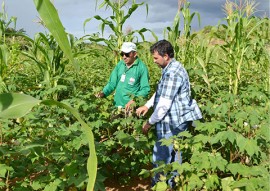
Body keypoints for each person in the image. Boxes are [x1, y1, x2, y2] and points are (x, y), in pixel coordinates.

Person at [136, 40, 202, 188]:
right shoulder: (172, 67)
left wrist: (148, 123)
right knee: (175, 153)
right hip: (177, 119)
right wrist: (147, 105)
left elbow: (163, 106)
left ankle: (158, 186)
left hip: (173, 121)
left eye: (155, 58)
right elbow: (161, 92)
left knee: (161, 155)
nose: (153, 61)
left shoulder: (172, 73)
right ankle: (173, 185)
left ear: (165, 56)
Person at [96, 42, 150, 111]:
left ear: (135, 54)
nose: (124, 57)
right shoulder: (120, 64)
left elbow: (145, 89)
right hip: (116, 105)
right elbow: (112, 83)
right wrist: (103, 93)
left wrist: (134, 100)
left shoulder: (141, 68)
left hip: (130, 109)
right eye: (122, 54)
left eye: (127, 54)